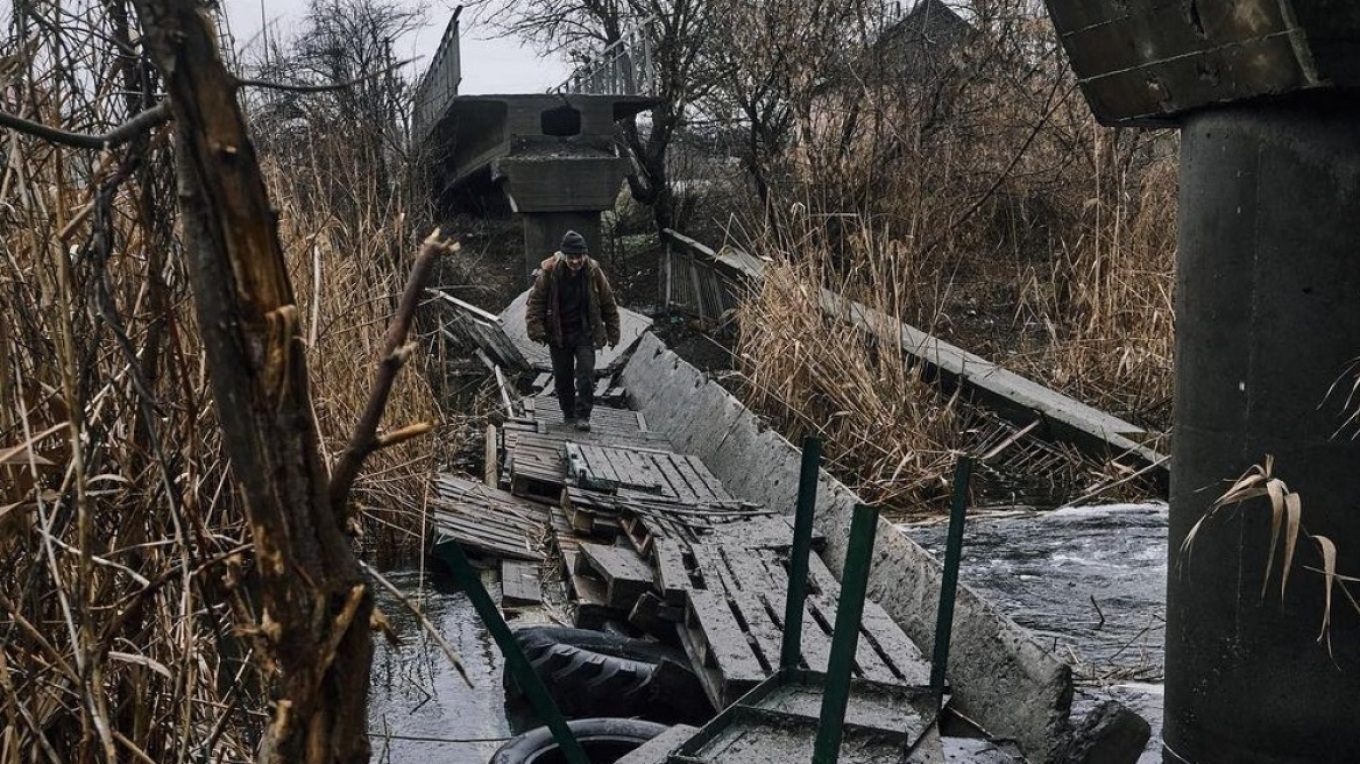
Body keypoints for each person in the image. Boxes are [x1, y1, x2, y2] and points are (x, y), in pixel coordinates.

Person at [525, 230, 621, 431]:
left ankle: (583, 415)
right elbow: (536, 302)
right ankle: (568, 412)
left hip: (584, 332)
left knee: (585, 372)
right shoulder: (550, 273)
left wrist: (613, 332)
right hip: (558, 333)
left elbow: (608, 303)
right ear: (564, 256)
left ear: (585, 255)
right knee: (563, 376)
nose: (575, 261)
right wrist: (536, 329)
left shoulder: (594, 273)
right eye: (571, 257)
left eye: (579, 256)